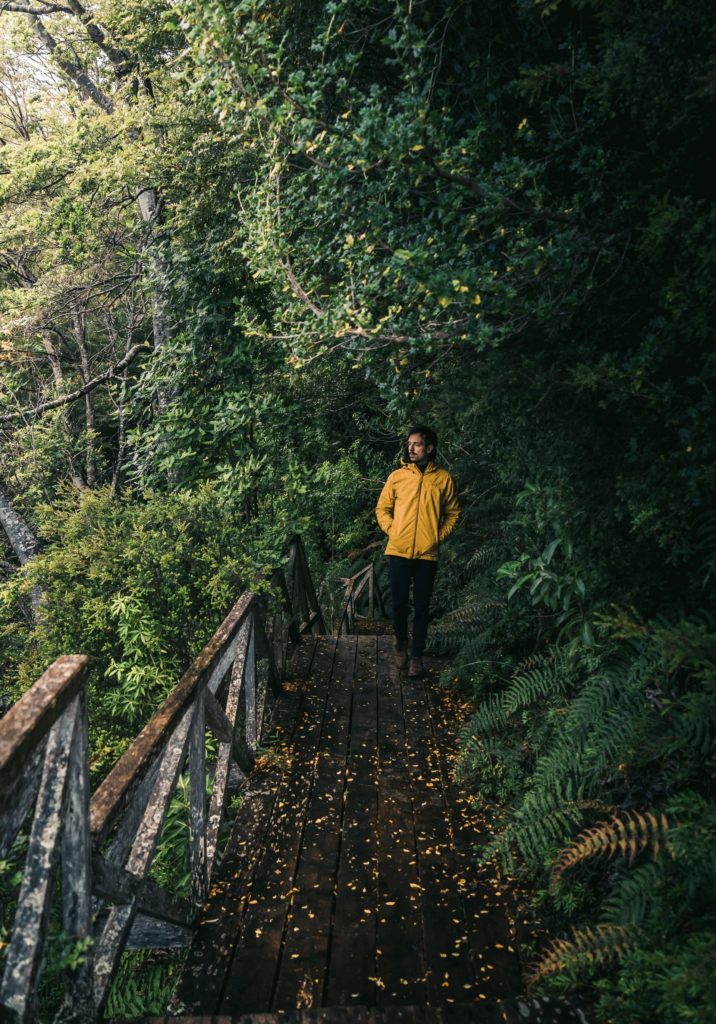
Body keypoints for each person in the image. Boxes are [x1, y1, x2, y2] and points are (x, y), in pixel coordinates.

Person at [375, 425, 460, 677]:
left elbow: (454, 513)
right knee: (399, 604)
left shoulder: (443, 479)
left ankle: (417, 657)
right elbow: (382, 509)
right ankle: (401, 644)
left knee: (422, 608)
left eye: (417, 444)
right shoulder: (397, 477)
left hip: (427, 555)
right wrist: (394, 530)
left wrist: (437, 537)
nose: (411, 448)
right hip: (398, 551)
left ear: (429, 448)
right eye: (409, 444)